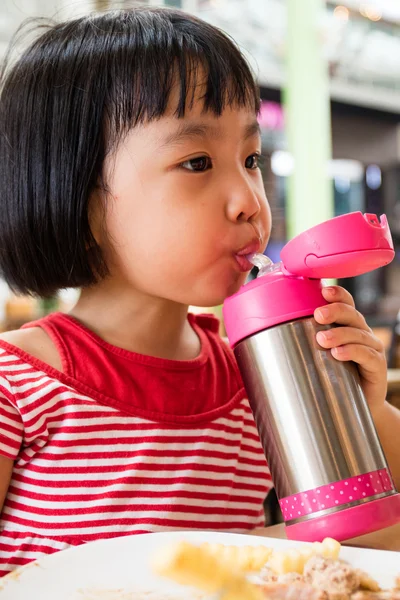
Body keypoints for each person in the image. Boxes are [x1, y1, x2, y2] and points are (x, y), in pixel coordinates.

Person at [0, 7, 399, 577]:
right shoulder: (16, 384)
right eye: (196, 161)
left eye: (251, 159)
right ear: (80, 198)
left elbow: (367, 531)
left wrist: (367, 409)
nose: (249, 201)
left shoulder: (259, 378)